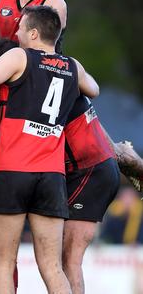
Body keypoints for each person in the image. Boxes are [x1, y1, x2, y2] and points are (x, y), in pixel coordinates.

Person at [0, 5, 98, 294]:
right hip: (51, 176)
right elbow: (94, 89)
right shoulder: (73, 66)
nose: (17, 32)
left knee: (1, 264)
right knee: (51, 266)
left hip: (12, 171)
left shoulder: (19, 57)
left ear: (34, 33)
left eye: (22, 27)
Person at [62, 95, 120, 294]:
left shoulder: (55, 76)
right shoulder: (71, 74)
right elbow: (92, 87)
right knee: (66, 259)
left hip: (90, 173)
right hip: (97, 167)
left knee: (70, 260)